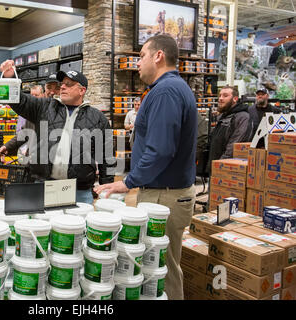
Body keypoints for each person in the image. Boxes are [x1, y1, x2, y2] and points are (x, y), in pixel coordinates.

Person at [94, 34, 197, 300]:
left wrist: (127, 181)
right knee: (159, 264)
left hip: (166, 195)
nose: (137, 62)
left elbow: (161, 149)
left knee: (161, 268)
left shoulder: (166, 91)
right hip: (165, 192)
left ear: (158, 56)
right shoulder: (169, 88)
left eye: (141, 55)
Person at [0, 61, 115, 204]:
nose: (63, 86)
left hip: (80, 191)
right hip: (44, 186)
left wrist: (106, 187)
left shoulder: (98, 118)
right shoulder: (45, 107)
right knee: (42, 225)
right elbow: (18, 101)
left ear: (82, 90)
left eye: (69, 84)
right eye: (62, 84)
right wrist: (9, 77)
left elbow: (106, 157)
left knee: (78, 225)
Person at [206, 85, 252, 174]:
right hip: (215, 167)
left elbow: (234, 146)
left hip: (226, 170)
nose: (220, 98)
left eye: (225, 96)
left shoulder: (242, 117)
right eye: (220, 95)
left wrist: (220, 165)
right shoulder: (223, 116)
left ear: (235, 99)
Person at [0, 86, 42, 164]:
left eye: (36, 95)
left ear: (43, 95)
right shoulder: (31, 114)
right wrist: (6, 147)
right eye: (32, 95)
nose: (33, 98)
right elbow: (23, 134)